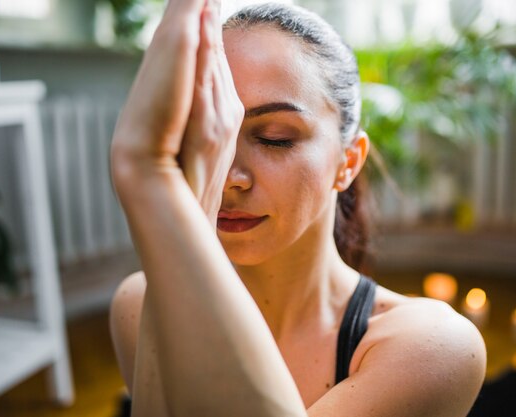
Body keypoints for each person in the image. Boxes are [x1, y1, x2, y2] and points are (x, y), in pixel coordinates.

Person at [108, 0, 487, 416]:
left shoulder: (433, 346)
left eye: (274, 138)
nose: (230, 176)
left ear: (348, 161)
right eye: (209, 137)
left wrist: (151, 180)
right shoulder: (138, 303)